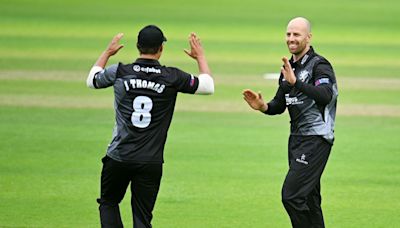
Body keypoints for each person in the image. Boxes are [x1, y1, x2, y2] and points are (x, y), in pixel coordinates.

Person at [86, 25, 214, 228]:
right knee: (142, 217)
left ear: (138, 46)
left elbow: (92, 81)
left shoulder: (120, 71)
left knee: (109, 203)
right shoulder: (171, 76)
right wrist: (200, 57)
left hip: (118, 156)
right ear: (161, 48)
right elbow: (208, 87)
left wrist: (107, 52)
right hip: (150, 161)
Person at [243, 17, 338, 228]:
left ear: (308, 37)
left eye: (296, 34)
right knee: (310, 200)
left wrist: (297, 82)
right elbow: (279, 104)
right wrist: (263, 106)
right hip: (296, 140)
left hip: (316, 139)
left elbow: (325, 95)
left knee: (292, 196)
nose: (291, 39)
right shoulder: (288, 68)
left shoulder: (319, 65)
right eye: (288, 34)